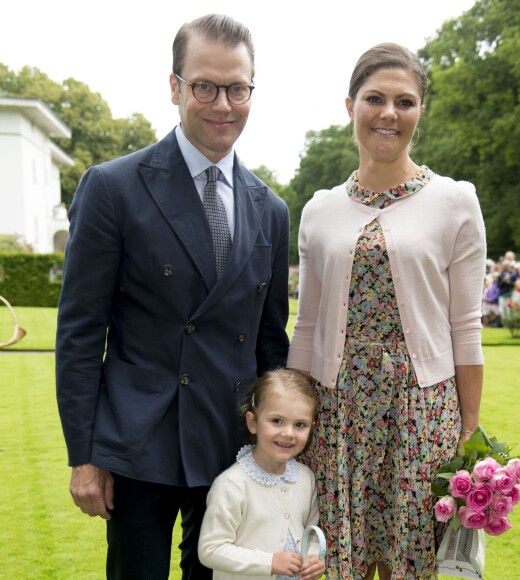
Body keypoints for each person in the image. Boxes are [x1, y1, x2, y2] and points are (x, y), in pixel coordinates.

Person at [55, 14, 290, 580]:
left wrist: (274, 450)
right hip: (138, 443)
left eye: (237, 88)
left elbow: (268, 344)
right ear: (174, 87)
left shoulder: (271, 209)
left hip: (229, 442)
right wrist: (84, 456)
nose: (222, 103)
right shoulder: (113, 187)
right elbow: (81, 332)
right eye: (204, 86)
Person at [287, 43, 486, 579]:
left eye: (406, 101)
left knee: (415, 564)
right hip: (337, 413)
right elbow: (306, 325)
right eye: (375, 98)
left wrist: (470, 432)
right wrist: (294, 418)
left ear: (421, 111)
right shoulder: (319, 209)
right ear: (350, 105)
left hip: (422, 414)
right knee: (333, 561)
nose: (389, 113)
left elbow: (465, 326)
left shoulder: (455, 202)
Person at [198, 368, 325, 580]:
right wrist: (269, 562)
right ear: (253, 422)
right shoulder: (232, 484)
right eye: (277, 421)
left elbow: (311, 532)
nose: (288, 433)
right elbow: (211, 549)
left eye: (300, 425)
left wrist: (314, 558)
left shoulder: (305, 478)